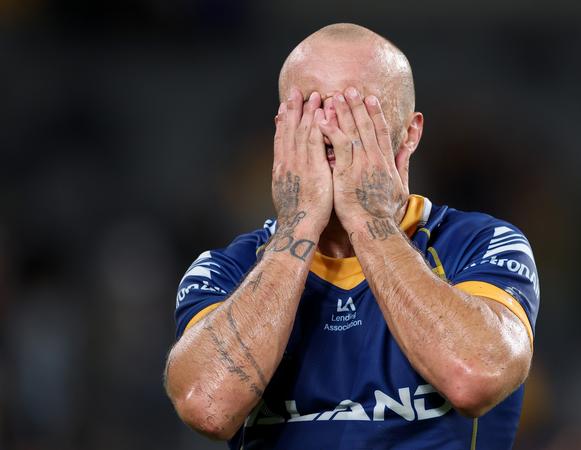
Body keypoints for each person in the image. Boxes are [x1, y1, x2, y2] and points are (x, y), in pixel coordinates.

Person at [164, 23, 540, 450]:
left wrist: (368, 217)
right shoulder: (228, 269)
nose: (331, 127)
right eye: (310, 106)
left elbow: (474, 376)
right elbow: (207, 406)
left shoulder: (479, 244)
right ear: (282, 127)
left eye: (356, 108)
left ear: (411, 132)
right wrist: (299, 223)